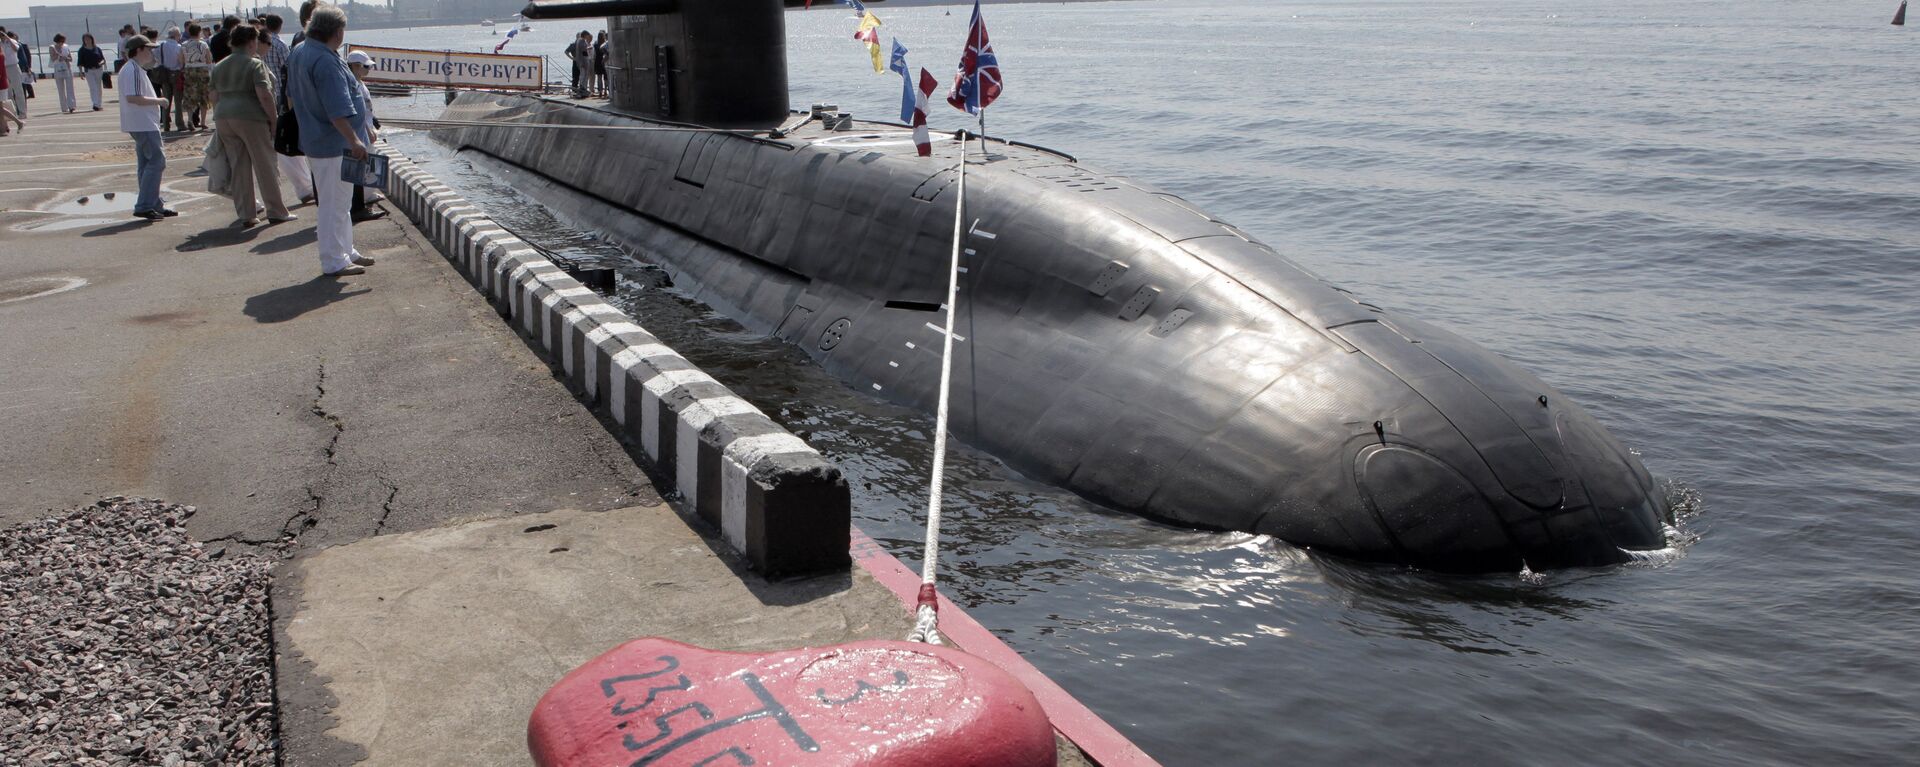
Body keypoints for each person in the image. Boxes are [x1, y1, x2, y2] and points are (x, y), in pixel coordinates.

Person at [287, 6, 374, 277]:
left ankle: (346, 250)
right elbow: (336, 109)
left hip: (321, 141)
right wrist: (355, 141)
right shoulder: (324, 60)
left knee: (340, 202)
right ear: (337, 32)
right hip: (333, 144)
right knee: (332, 205)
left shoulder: (301, 50)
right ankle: (334, 260)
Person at [210, 24, 293, 228]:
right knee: (265, 164)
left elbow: (213, 96)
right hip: (250, 116)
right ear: (251, 42)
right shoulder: (254, 64)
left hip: (223, 117)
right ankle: (276, 210)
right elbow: (264, 95)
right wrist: (274, 121)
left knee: (239, 166)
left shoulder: (219, 65)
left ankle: (246, 214)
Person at [118, 35, 174, 220]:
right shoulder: (132, 69)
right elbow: (133, 97)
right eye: (148, 49)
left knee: (146, 163)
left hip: (141, 123)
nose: (151, 52)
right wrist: (160, 100)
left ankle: (153, 203)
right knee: (157, 161)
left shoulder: (134, 69)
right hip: (142, 123)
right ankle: (145, 204)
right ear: (139, 50)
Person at [261, 14, 311, 205]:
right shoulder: (281, 45)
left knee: (286, 145)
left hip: (279, 99)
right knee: (290, 147)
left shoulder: (280, 43)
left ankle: (305, 187)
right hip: (282, 98)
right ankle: (305, 189)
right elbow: (289, 71)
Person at [343, 49, 386, 223]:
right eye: (366, 66)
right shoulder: (353, 83)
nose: (368, 69)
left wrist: (373, 121)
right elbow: (357, 111)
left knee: (371, 160)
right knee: (365, 162)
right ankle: (362, 201)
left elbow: (367, 107)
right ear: (355, 66)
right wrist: (367, 130)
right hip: (362, 130)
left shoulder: (360, 82)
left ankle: (368, 194)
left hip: (366, 126)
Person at [180, 24, 212, 131]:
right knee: (204, 96)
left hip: (189, 70)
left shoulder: (184, 44)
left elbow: (181, 60)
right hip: (202, 69)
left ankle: (190, 119)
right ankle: (202, 122)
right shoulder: (203, 44)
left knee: (190, 95)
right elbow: (208, 59)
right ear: (199, 32)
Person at [155, 28, 181, 130]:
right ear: (176, 36)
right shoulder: (178, 47)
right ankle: (180, 123)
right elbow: (181, 61)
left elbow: (154, 56)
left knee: (166, 100)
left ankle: (166, 124)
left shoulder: (161, 45)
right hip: (176, 73)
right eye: (179, 35)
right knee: (178, 101)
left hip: (164, 74)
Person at [0, 29, 24, 119]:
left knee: (18, 90)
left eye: (2, 33)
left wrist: (7, 38)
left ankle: (22, 113)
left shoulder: (12, 41)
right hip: (3, 68)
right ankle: (12, 114)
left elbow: (16, 49)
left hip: (13, 66)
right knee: (8, 93)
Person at [78, 33, 105, 110]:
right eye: (85, 39)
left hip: (98, 69)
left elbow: (102, 59)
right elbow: (80, 62)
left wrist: (101, 63)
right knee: (93, 87)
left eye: (88, 39)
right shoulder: (82, 50)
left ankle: (99, 104)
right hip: (88, 70)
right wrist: (81, 72)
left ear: (92, 39)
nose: (87, 40)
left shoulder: (97, 48)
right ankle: (95, 104)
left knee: (98, 87)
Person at [50, 34, 76, 114]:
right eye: (59, 41)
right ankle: (64, 107)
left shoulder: (66, 46)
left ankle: (71, 105)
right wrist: (58, 56)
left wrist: (65, 58)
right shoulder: (52, 47)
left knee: (70, 88)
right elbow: (52, 58)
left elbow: (70, 58)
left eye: (62, 41)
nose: (61, 43)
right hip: (58, 69)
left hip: (67, 68)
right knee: (60, 89)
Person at [0, 51, 22, 136]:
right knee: (0, 109)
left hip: (1, 84)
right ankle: (3, 128)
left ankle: (18, 122)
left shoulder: (0, 56)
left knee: (0, 109)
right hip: (2, 84)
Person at [565, 30, 591, 98]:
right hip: (578, 61)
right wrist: (572, 58)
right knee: (577, 77)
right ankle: (577, 91)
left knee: (581, 77)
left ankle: (580, 90)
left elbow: (584, 53)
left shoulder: (581, 43)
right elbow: (566, 51)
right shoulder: (575, 44)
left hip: (580, 61)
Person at [593, 31, 608, 98]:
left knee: (599, 77)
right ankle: (605, 91)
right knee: (606, 78)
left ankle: (600, 92)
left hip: (597, 62)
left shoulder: (595, 45)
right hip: (605, 61)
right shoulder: (605, 44)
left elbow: (593, 55)